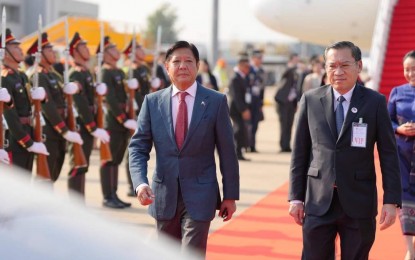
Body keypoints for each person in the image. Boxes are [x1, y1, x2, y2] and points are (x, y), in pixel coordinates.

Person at [288, 41, 402, 259]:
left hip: (359, 202)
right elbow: (299, 154)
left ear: (358, 66)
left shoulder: (374, 102)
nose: (337, 72)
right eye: (332, 66)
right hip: (318, 201)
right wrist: (295, 197)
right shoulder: (311, 100)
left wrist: (391, 200)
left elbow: (389, 154)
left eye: (344, 65)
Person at [128, 41, 239, 258]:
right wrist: (140, 183)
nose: (182, 66)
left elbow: (227, 152)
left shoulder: (215, 101)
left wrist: (230, 195)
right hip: (163, 194)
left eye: (189, 61)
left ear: (197, 66)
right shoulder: (152, 102)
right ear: (167, 66)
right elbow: (138, 147)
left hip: (201, 194)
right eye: (176, 61)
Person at [27, 32, 83, 182]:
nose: (54, 53)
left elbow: (65, 96)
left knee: (55, 171)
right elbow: (48, 107)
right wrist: (64, 130)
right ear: (39, 55)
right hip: (49, 130)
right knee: (45, 175)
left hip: (60, 128)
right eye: (49, 51)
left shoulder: (55, 75)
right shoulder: (37, 76)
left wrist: (76, 87)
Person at [67, 32, 110, 196]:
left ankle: (79, 202)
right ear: (75, 51)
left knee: (83, 164)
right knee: (77, 163)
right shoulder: (75, 73)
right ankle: (74, 204)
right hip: (81, 123)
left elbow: (92, 101)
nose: (87, 49)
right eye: (83, 47)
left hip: (88, 123)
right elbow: (81, 103)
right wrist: (92, 126)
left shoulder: (86, 72)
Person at [1, 28, 49, 171]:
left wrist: (42, 97)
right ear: (5, 53)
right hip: (15, 139)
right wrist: (27, 142)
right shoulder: (4, 78)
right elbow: (10, 116)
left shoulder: (21, 76)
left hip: (28, 131)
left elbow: (29, 104)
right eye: (15, 47)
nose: (21, 50)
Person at [98, 36, 137, 208]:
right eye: (112, 49)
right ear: (105, 54)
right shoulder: (105, 72)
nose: (117, 51)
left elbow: (126, 97)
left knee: (116, 160)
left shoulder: (120, 72)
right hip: (112, 122)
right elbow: (111, 99)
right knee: (108, 160)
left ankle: (114, 194)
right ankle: (108, 196)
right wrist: (123, 119)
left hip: (123, 122)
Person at [387, 50, 415, 260]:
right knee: (405, 203)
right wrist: (399, 129)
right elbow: (387, 120)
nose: (410, 73)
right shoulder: (397, 92)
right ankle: (411, 252)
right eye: (407, 69)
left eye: (414, 69)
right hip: (402, 157)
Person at [274, 53, 300, 152]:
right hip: (283, 102)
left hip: (291, 102)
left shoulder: (295, 72)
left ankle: (287, 145)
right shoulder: (286, 69)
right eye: (295, 60)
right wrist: (292, 67)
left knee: (289, 124)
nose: (297, 62)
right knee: (284, 124)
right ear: (290, 61)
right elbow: (284, 75)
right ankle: (282, 145)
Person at [228, 56, 251, 160]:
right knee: (238, 130)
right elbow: (236, 96)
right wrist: (243, 110)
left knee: (241, 131)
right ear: (241, 66)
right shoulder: (235, 78)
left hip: (240, 108)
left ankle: (239, 152)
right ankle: (235, 152)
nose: (248, 68)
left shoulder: (243, 77)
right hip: (236, 109)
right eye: (246, 66)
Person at [247, 49, 266, 153]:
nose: (260, 60)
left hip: (257, 100)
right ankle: (246, 144)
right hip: (248, 100)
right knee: (247, 124)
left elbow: (262, 88)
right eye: (258, 58)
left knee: (255, 124)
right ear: (253, 58)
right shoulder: (248, 69)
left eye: (261, 58)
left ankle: (252, 145)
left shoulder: (262, 71)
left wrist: (261, 103)